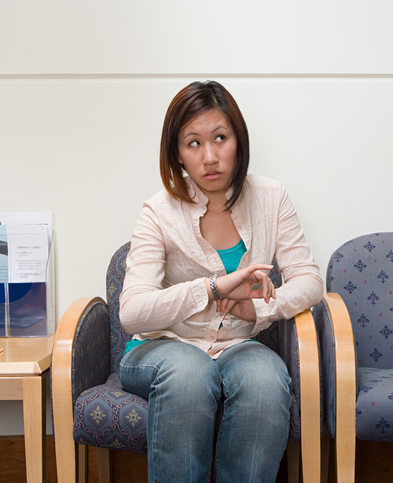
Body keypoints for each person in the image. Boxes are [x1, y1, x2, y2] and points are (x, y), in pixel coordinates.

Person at [118, 80, 323, 482]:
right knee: (190, 373)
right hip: (162, 347)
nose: (210, 157)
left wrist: (262, 307)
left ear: (238, 142)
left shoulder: (271, 197)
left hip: (238, 345)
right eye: (193, 143)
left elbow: (309, 280)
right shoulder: (157, 211)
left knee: (267, 382)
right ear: (176, 153)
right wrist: (212, 288)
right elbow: (132, 311)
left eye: (220, 138)